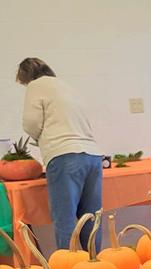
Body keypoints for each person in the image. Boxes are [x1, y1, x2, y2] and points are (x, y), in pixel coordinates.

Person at [16, 57, 102, 250]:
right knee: (91, 217)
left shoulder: (36, 86)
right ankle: (96, 261)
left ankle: (68, 264)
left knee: (65, 217)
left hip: (64, 155)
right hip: (92, 155)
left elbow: (31, 123)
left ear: (26, 76)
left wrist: (39, 137)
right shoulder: (66, 86)